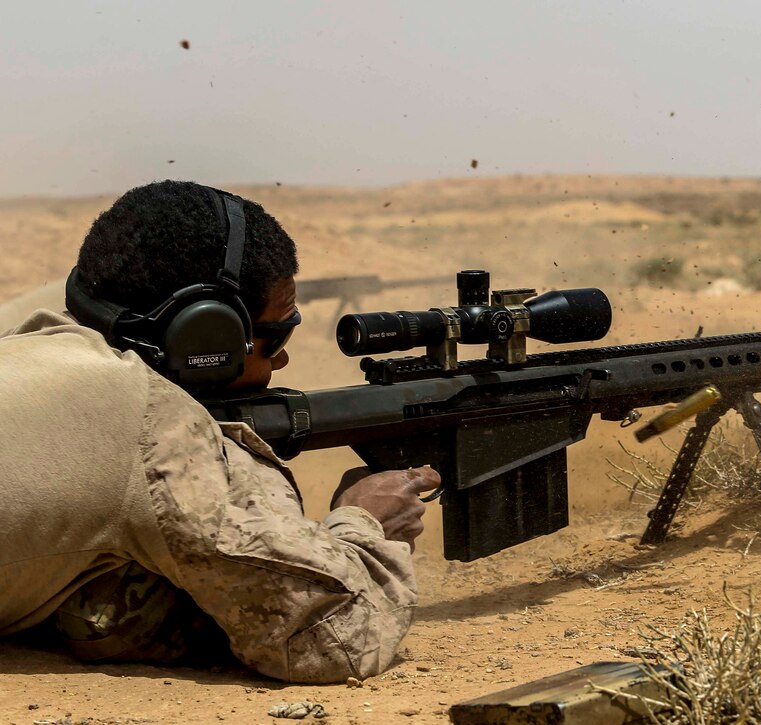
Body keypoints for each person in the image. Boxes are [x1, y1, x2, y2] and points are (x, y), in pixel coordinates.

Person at [0, 180, 440, 683]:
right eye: (276, 336)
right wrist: (364, 524)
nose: (284, 358)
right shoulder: (148, 423)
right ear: (203, 334)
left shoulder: (31, 345)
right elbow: (334, 638)